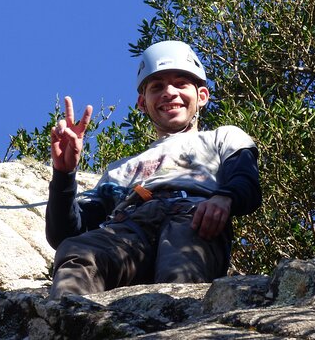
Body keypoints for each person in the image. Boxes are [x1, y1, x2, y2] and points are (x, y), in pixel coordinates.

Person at [46, 40, 261, 298]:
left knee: (179, 269)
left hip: (191, 219)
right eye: (157, 87)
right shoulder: (119, 170)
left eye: (181, 83)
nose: (169, 92)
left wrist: (225, 198)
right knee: (77, 251)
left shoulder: (224, 137)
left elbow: (245, 181)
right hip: (129, 227)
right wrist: (64, 175)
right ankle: (68, 321)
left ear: (202, 96)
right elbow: (65, 234)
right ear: (142, 103)